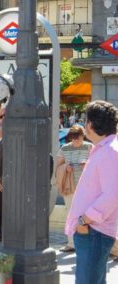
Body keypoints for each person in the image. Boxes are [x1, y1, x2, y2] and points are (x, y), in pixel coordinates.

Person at [65, 100, 118, 284]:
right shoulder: (105, 148)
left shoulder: (110, 151)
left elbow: (113, 194)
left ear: (89, 124)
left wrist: (84, 219)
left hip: (94, 231)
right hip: (93, 230)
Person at [56, 125, 92, 253]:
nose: (77, 140)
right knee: (70, 215)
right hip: (70, 186)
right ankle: (71, 243)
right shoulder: (64, 148)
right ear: (71, 137)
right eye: (75, 138)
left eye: (80, 137)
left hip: (87, 188)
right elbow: (57, 167)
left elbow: (97, 165)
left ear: (84, 136)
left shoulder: (89, 147)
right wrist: (66, 168)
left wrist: (86, 165)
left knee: (87, 216)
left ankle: (87, 243)